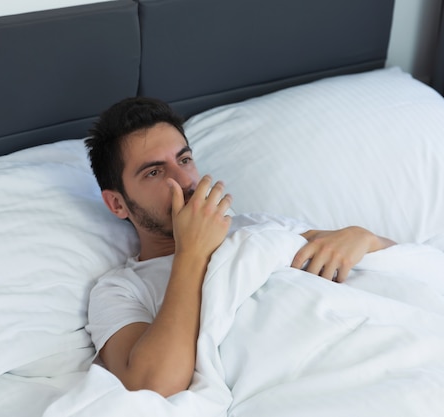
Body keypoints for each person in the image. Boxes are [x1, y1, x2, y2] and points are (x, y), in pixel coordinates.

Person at [84, 97, 396, 398]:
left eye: (184, 160)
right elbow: (153, 386)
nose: (184, 180)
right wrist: (192, 253)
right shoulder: (119, 290)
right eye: (154, 172)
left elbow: (392, 260)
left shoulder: (257, 227)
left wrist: (363, 237)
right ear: (117, 203)